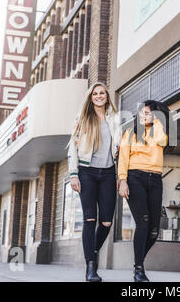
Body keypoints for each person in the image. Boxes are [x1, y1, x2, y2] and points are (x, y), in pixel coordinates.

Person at [67, 82, 121, 282]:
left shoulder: (114, 119)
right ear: (91, 98)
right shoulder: (82, 119)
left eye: (102, 93)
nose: (99, 96)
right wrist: (73, 174)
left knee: (106, 221)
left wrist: (120, 175)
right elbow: (72, 148)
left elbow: (120, 147)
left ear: (107, 96)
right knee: (90, 219)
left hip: (108, 173)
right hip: (86, 172)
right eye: (95, 93)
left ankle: (93, 250)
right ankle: (91, 267)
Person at [118, 100, 173, 282]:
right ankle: (139, 269)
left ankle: (138, 261)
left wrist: (156, 120)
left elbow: (160, 140)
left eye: (147, 113)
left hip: (155, 179)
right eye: (141, 113)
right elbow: (123, 159)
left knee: (154, 230)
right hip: (135, 178)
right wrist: (122, 181)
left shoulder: (160, 133)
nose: (142, 116)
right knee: (143, 223)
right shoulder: (129, 134)